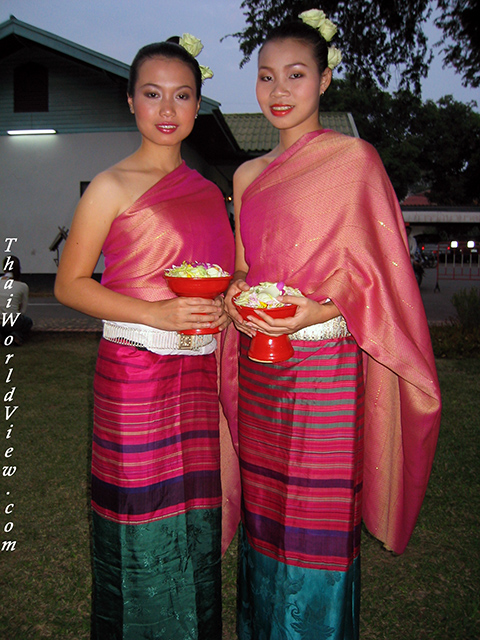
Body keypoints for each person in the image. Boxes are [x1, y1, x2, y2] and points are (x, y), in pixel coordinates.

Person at [224, 11, 441, 640]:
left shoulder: (355, 161)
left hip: (325, 369)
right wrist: (239, 295)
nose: (279, 91)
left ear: (323, 80)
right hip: (260, 365)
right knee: (267, 512)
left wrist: (315, 310)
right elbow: (245, 266)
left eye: (295, 75)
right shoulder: (246, 174)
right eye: (266, 77)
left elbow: (380, 269)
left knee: (316, 517)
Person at [55, 36, 234, 639]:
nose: (166, 108)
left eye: (181, 95)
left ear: (197, 105)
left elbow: (220, 280)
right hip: (133, 376)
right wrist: (157, 315)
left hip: (196, 376)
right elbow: (70, 285)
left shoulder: (210, 193)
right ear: (130, 101)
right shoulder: (109, 185)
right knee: (140, 515)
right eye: (152, 94)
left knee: (193, 515)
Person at [0, 255, 33, 345]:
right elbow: (22, 311)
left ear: (4, 268)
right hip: (12, 322)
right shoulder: (23, 286)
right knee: (27, 321)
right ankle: (16, 336)